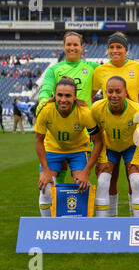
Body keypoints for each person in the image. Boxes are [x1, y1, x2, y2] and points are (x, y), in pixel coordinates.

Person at [92, 32, 139, 217]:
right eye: (112, 47)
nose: (115, 50)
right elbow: (89, 94)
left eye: (119, 47)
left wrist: (133, 105)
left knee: (136, 182)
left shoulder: (138, 68)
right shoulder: (99, 71)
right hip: (109, 141)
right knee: (106, 181)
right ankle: (109, 224)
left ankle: (136, 225)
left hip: (131, 134)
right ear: (107, 50)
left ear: (126, 50)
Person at [37, 31, 100, 184]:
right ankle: (55, 206)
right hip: (58, 127)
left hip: (82, 130)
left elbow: (114, 70)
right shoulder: (54, 69)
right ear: (63, 47)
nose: (72, 47)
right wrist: (43, 101)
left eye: (75, 44)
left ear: (82, 47)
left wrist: (134, 63)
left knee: (79, 182)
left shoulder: (92, 67)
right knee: (54, 181)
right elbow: (46, 89)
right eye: (69, 44)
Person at [34, 77, 103, 217]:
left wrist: (86, 171)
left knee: (81, 186)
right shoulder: (46, 111)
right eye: (59, 95)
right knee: (46, 188)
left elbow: (98, 141)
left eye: (68, 95)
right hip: (53, 149)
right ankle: (47, 228)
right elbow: (39, 140)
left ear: (75, 97)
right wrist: (45, 170)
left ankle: (78, 227)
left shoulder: (84, 113)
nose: (63, 99)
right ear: (54, 95)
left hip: (78, 150)